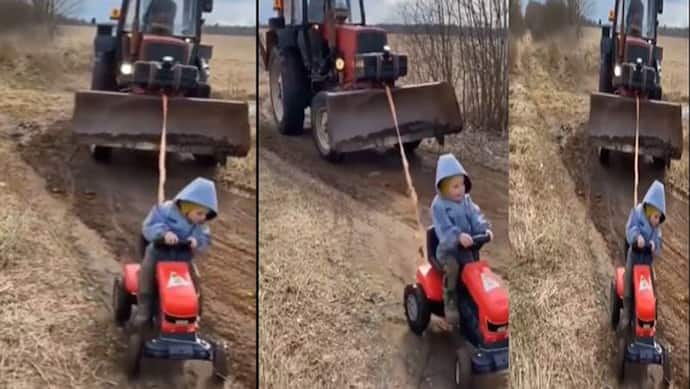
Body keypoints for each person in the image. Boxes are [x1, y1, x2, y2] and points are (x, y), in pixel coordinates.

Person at [132, 177, 218, 329]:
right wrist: (163, 234)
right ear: (187, 206)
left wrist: (196, 240)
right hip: (158, 253)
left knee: (195, 280)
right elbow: (149, 225)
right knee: (146, 274)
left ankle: (193, 312)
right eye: (199, 213)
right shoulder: (165, 210)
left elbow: (205, 237)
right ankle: (144, 310)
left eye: (206, 215)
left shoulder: (200, 224)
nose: (203, 218)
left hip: (182, 257)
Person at [431, 153, 493, 327]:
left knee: (478, 270)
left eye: (462, 185)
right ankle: (450, 299)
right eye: (455, 186)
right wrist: (457, 236)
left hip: (468, 248)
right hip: (448, 251)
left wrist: (484, 228)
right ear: (443, 188)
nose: (460, 189)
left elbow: (475, 216)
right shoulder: (438, 206)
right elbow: (443, 230)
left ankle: (481, 302)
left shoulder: (466, 201)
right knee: (453, 268)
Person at [621, 180, 665, 329]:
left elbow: (658, 240)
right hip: (634, 256)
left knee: (652, 284)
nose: (657, 221)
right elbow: (630, 228)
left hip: (647, 260)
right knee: (628, 280)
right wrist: (636, 237)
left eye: (659, 218)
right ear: (649, 211)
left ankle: (652, 312)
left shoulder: (656, 227)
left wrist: (654, 245)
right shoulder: (637, 213)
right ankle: (627, 311)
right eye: (655, 217)